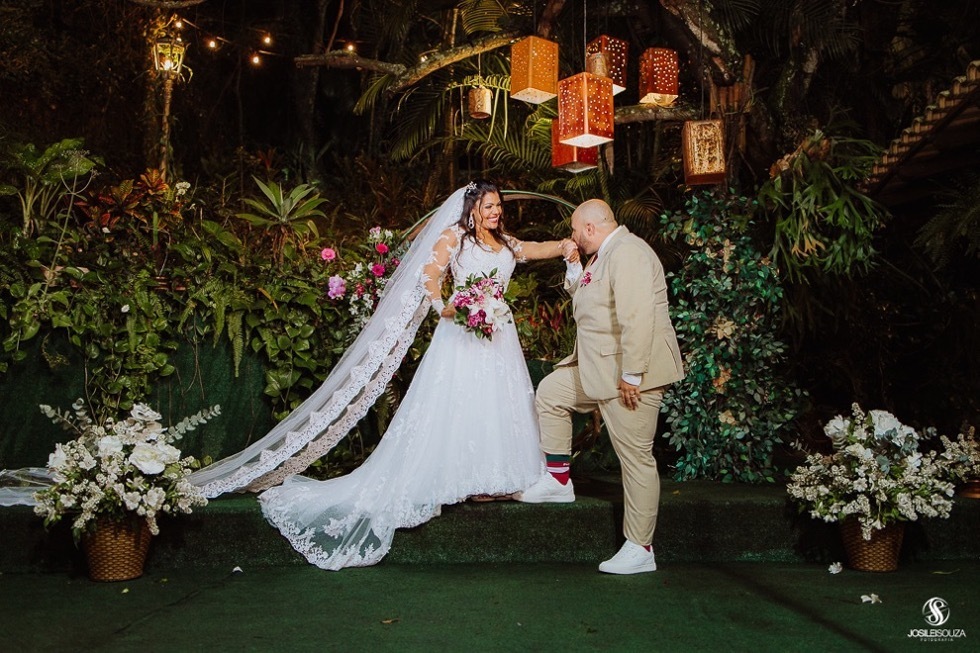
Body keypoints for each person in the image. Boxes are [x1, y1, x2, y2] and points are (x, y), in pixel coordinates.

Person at [258, 180, 580, 570]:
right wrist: (443, 305)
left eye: (499, 206)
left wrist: (563, 245)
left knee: (499, 403)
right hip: (461, 332)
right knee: (459, 402)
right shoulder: (454, 237)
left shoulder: (506, 243)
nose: (497, 212)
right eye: (490, 206)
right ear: (474, 207)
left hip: (499, 334)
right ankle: (460, 478)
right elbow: (430, 274)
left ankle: (497, 479)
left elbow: (532, 250)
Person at [517, 198, 684, 575]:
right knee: (552, 393)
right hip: (598, 369)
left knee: (635, 459)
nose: (572, 236)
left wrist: (633, 375)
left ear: (590, 229)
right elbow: (588, 300)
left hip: (627, 376)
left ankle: (641, 548)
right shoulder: (605, 254)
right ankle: (559, 479)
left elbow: (637, 317)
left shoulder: (628, 253)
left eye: (576, 231)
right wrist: (573, 265)